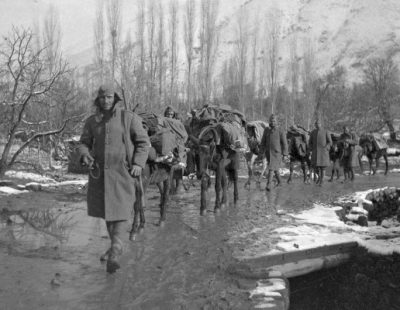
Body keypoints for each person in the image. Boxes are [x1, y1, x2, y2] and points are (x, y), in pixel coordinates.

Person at [78, 84, 150, 273]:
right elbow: (84, 142)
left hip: (123, 174)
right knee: (108, 214)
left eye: (109, 97)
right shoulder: (92, 121)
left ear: (115, 98)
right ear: (98, 100)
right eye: (102, 97)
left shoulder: (129, 118)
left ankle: (116, 252)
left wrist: (138, 164)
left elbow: (143, 142)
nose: (106, 100)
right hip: (100, 175)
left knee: (122, 212)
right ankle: (115, 246)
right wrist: (85, 154)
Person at [259, 114, 288, 191]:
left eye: (274, 120)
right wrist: (261, 151)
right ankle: (280, 182)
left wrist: (285, 154)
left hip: (277, 153)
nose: (272, 122)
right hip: (268, 153)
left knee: (271, 168)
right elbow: (263, 142)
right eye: (271, 120)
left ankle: (268, 184)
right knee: (275, 169)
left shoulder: (280, 130)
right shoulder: (266, 130)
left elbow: (284, 143)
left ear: (276, 121)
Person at [309, 118, 332, 186]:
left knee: (323, 167)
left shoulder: (326, 131)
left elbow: (330, 142)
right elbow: (310, 142)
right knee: (316, 167)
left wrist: (327, 148)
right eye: (316, 124)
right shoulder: (313, 132)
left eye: (318, 123)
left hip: (323, 152)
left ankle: (322, 181)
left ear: (321, 124)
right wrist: (311, 148)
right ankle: (319, 178)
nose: (317, 125)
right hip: (315, 152)